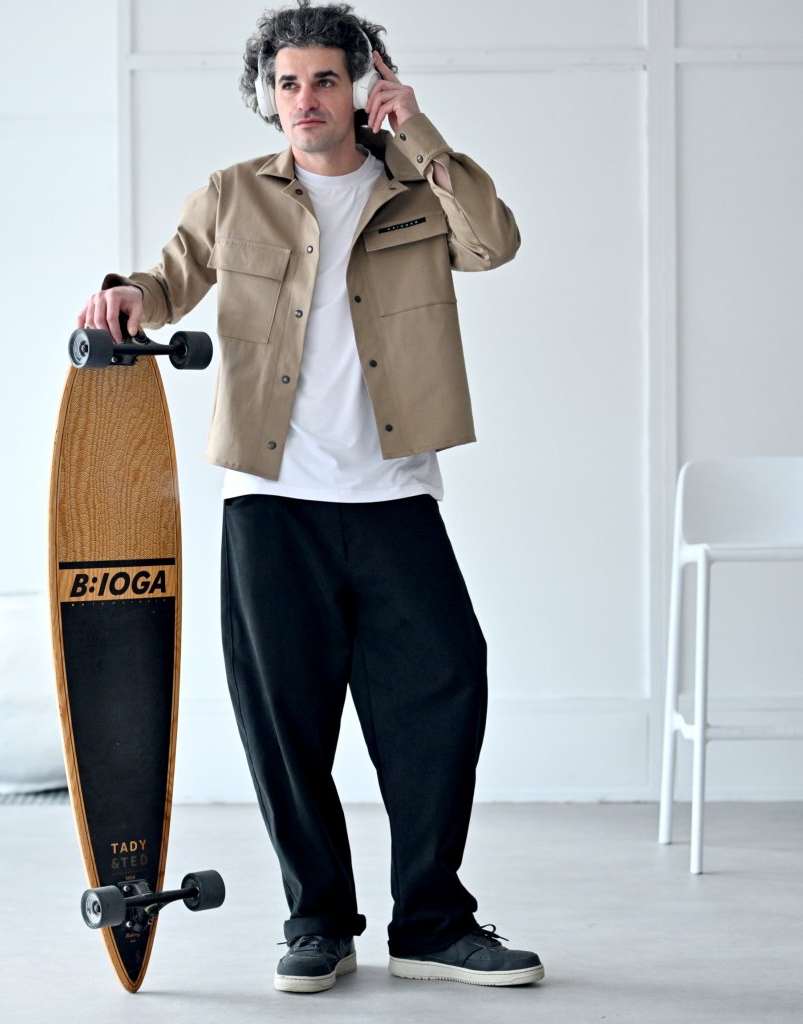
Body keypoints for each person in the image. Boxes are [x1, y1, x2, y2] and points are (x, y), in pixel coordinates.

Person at [76, 0, 543, 995]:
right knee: (283, 719)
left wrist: (417, 132)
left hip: (393, 493)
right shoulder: (233, 193)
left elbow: (494, 242)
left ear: (363, 87)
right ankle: (318, 919)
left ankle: (431, 920)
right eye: (286, 83)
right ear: (268, 95)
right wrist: (129, 297)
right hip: (270, 498)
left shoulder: (416, 190)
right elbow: (170, 276)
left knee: (445, 689)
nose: (304, 99)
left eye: (325, 79)